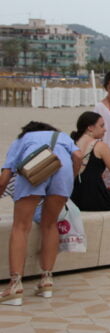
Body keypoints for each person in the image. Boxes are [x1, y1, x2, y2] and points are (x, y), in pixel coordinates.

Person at [0, 122, 82, 305]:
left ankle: (15, 286)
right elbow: (78, 155)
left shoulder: (23, 139)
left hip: (34, 173)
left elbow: (5, 176)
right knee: (49, 224)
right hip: (63, 173)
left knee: (21, 227)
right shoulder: (63, 138)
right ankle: (46, 281)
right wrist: (72, 176)